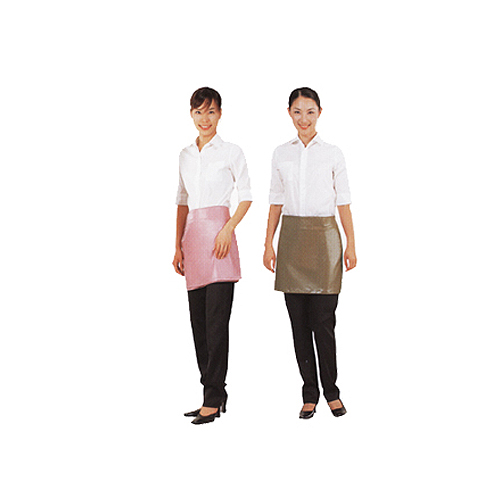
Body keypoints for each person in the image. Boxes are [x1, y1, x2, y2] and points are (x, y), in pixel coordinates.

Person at [263, 87, 357, 419]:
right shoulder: (280, 153)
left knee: (324, 322)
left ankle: (332, 392)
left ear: (320, 113)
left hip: (325, 241)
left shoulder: (333, 153)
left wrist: (351, 243)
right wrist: (268, 243)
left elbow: (343, 202)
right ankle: (309, 393)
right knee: (299, 324)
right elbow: (275, 201)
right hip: (291, 241)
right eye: (297, 112)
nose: (304, 119)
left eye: (310, 112)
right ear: (289, 113)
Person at [173, 87, 252, 424]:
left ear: (220, 114)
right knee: (199, 325)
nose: (204, 119)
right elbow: (182, 201)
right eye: (198, 112)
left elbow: (246, 196)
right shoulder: (185, 155)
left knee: (217, 324)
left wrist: (227, 229)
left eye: (210, 112)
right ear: (191, 114)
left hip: (220, 242)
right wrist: (177, 245)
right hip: (193, 241)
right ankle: (212, 392)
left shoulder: (231, 152)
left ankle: (213, 397)